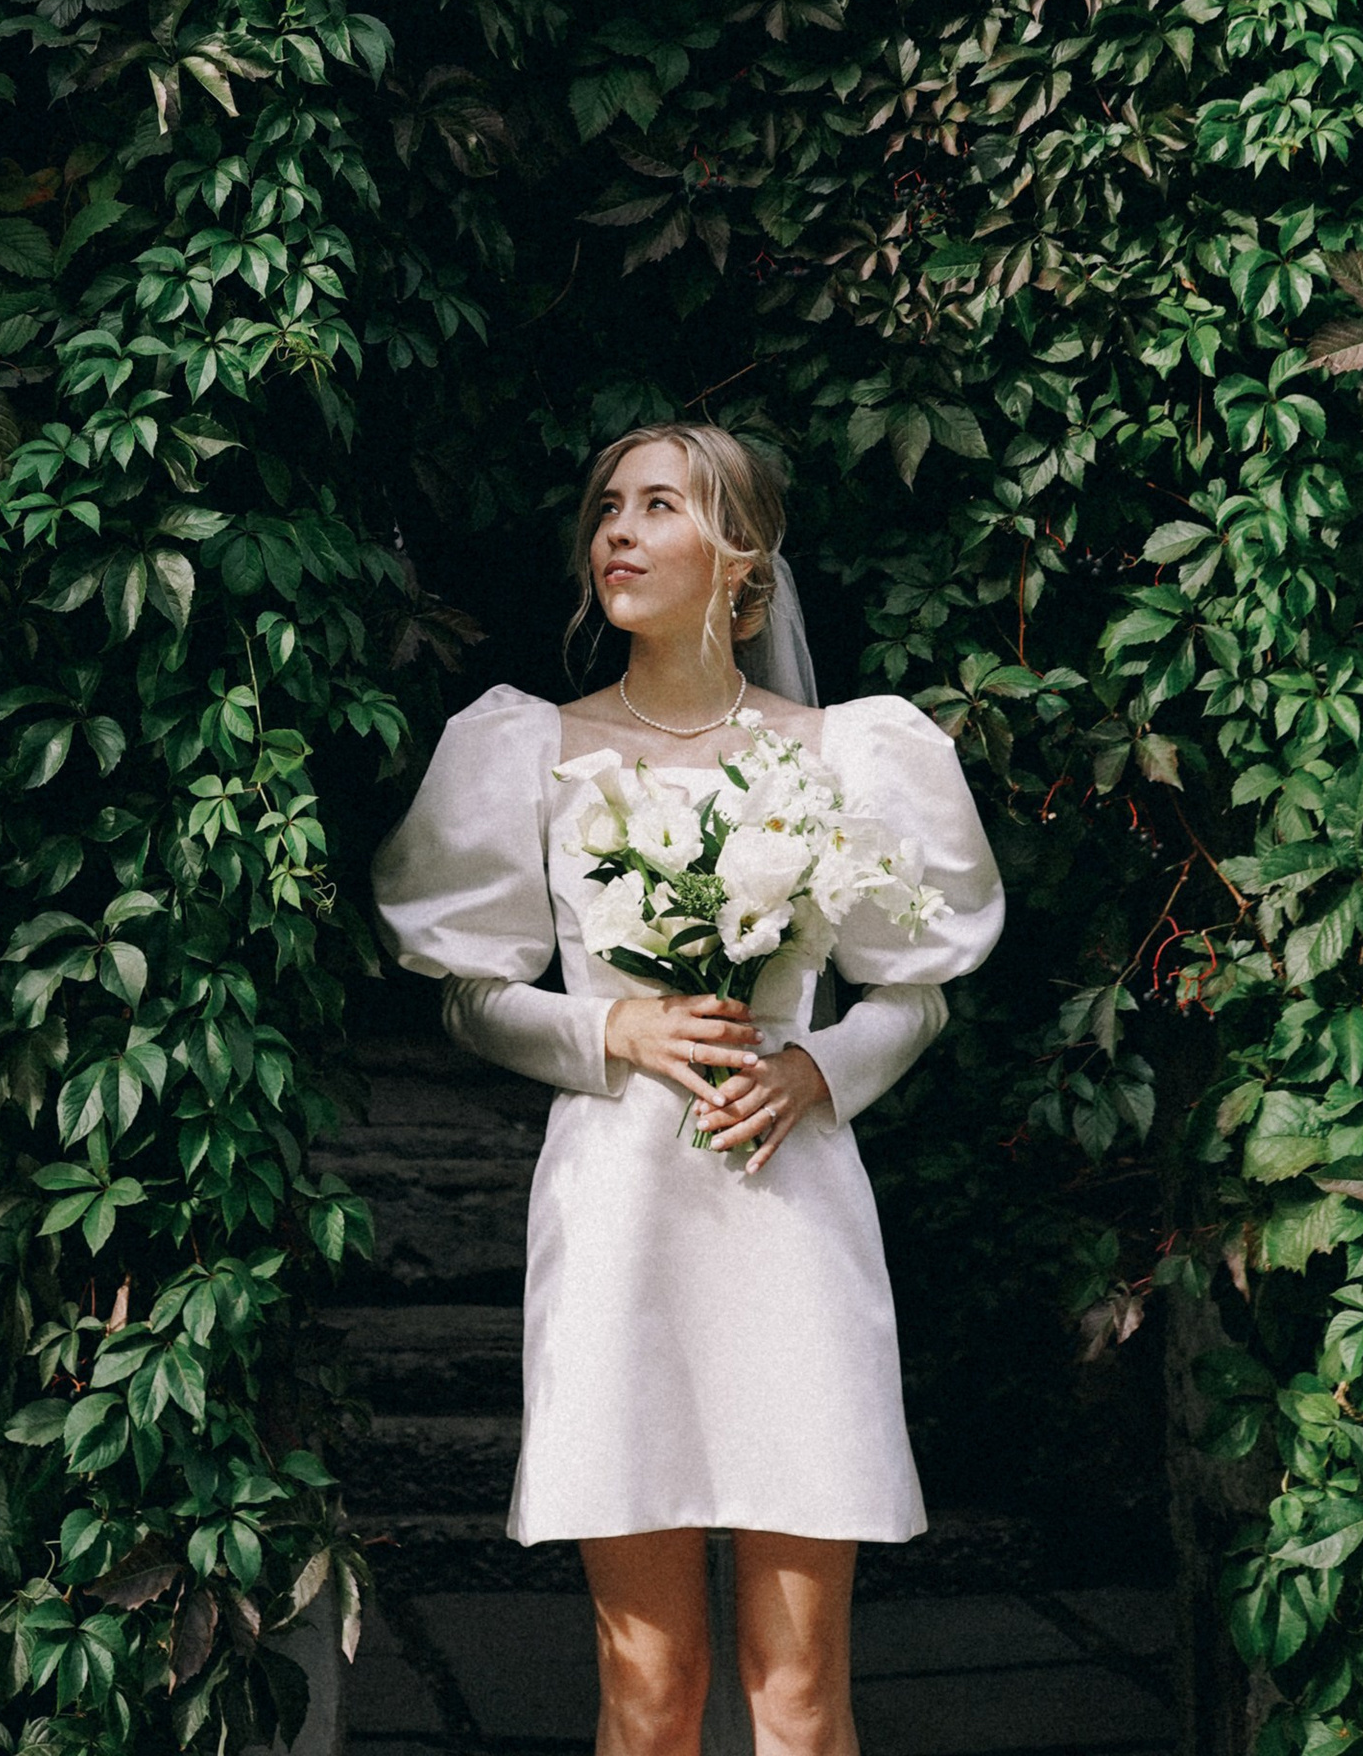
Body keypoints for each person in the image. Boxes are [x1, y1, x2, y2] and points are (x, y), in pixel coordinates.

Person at [372, 422, 1004, 1756]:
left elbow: (916, 993)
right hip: (620, 1221)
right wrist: (612, 1030)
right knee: (649, 1689)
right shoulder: (531, 749)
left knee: (800, 1689)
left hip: (794, 1218)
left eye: (660, 505)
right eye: (608, 505)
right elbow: (471, 996)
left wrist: (816, 1068)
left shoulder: (846, 754)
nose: (617, 530)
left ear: (742, 556)